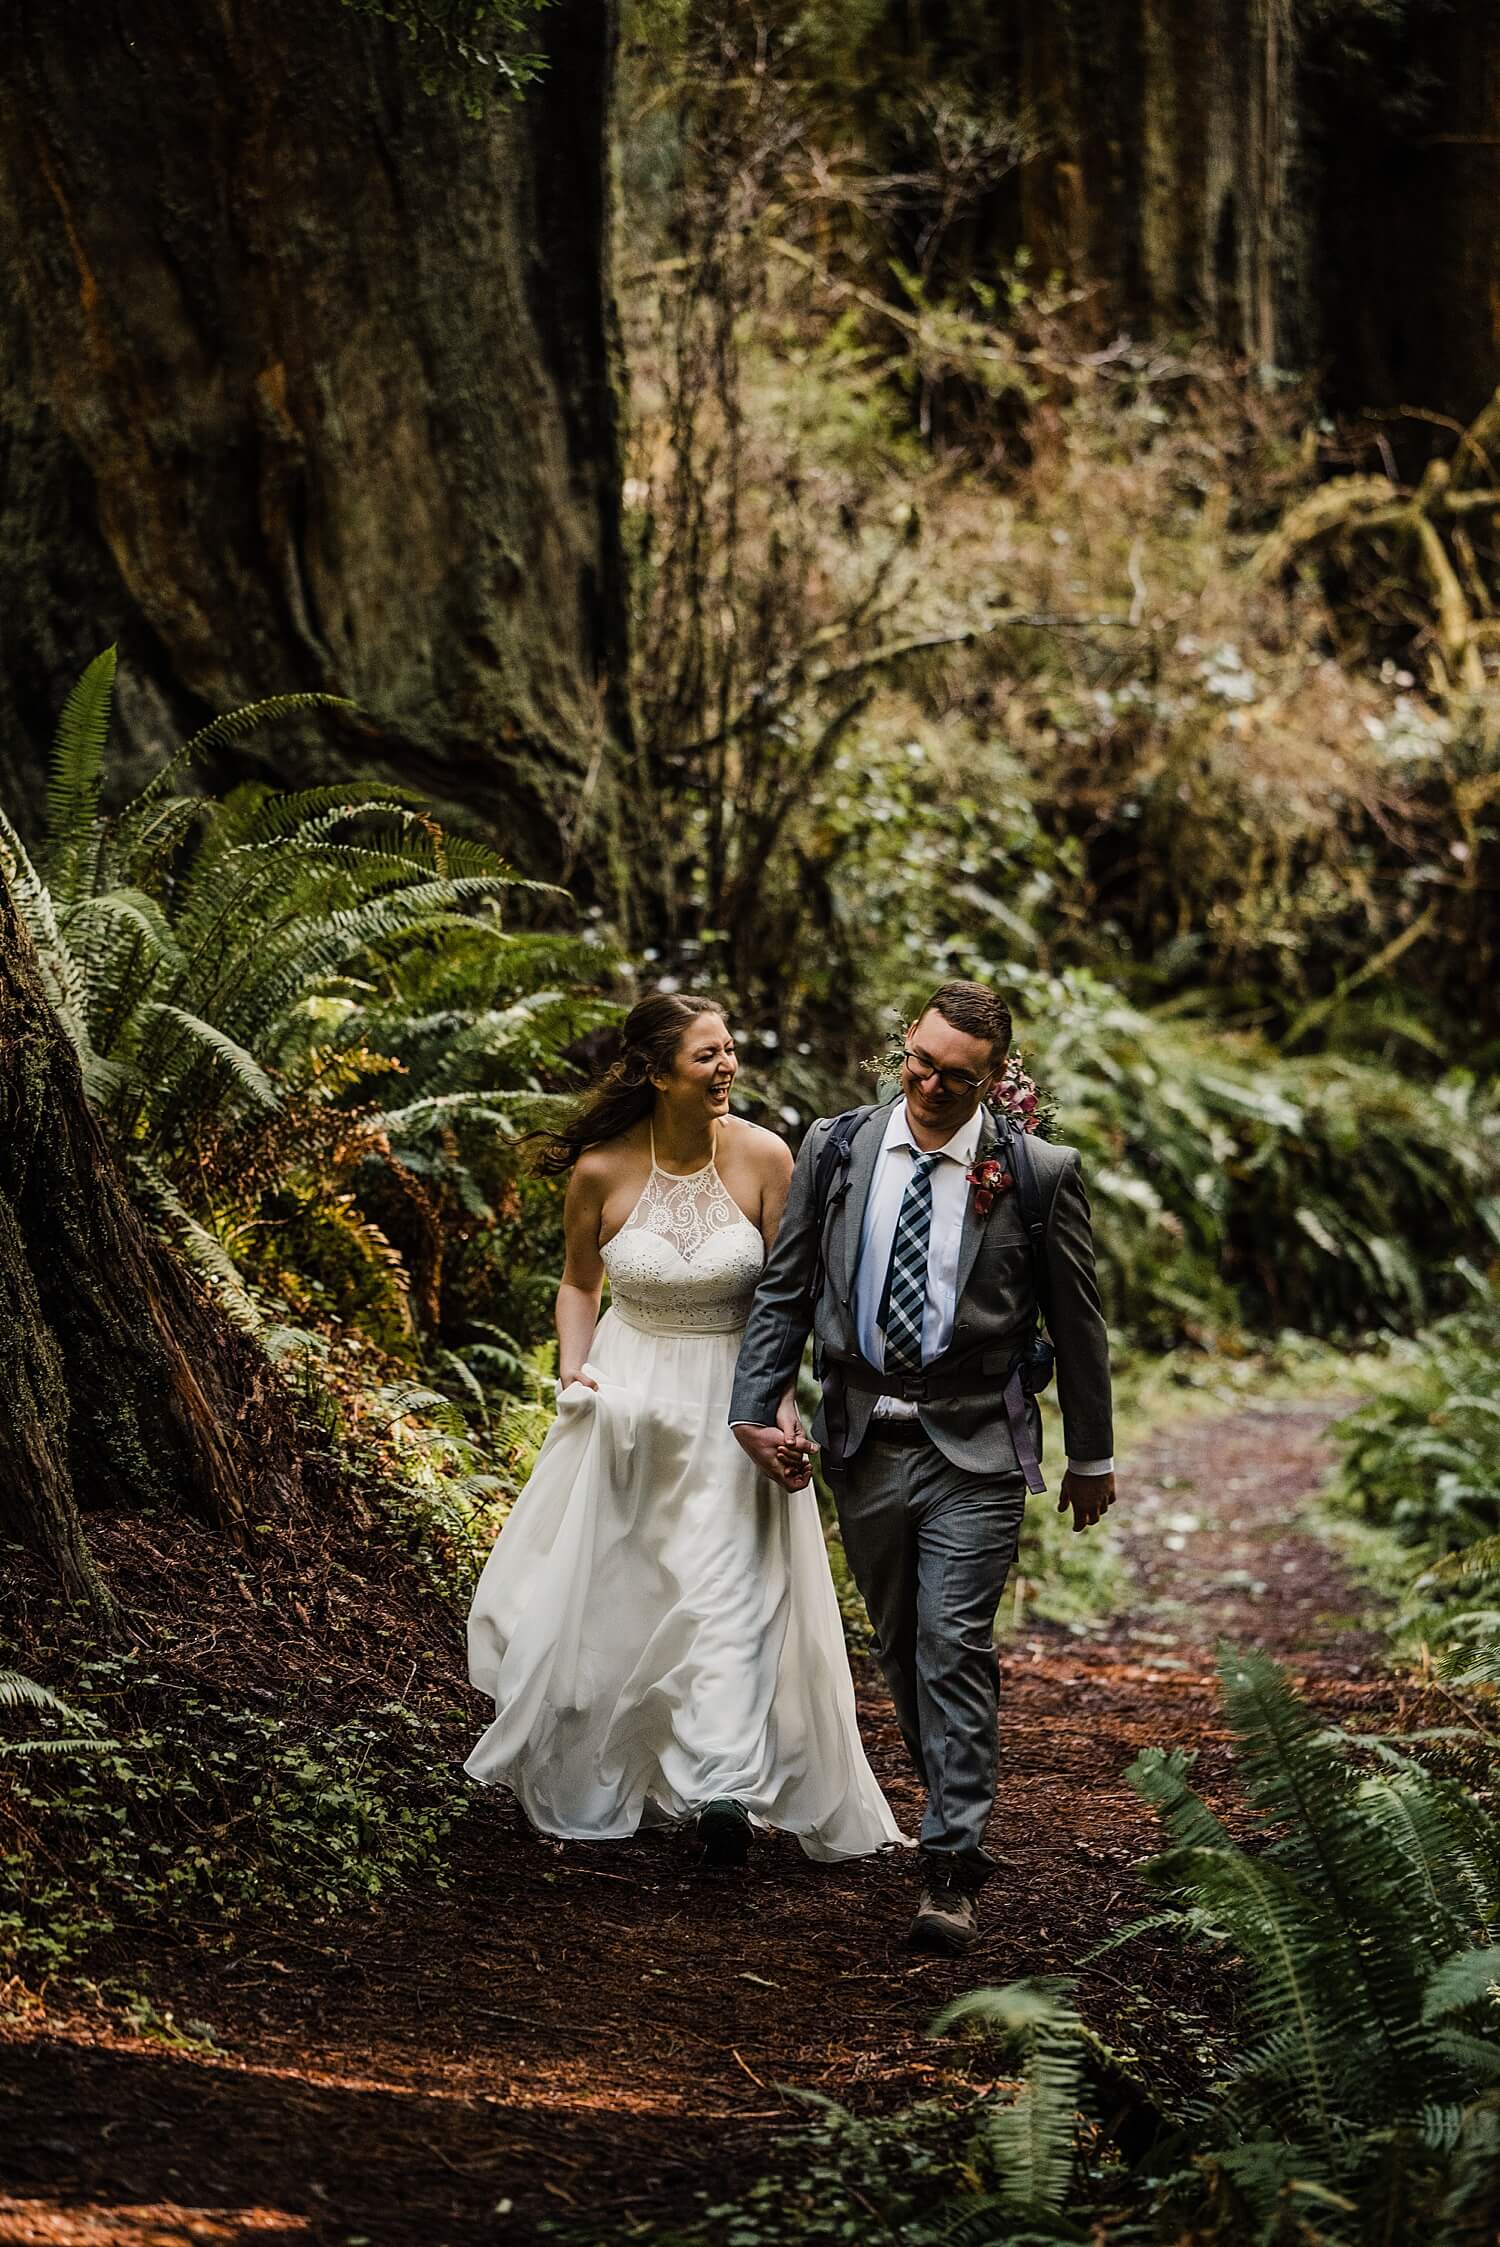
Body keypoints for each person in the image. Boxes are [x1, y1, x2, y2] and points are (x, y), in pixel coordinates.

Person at [464, 991, 903, 1867]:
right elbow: (579, 1284)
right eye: (708, 1055)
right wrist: (574, 1370)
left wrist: (776, 1404)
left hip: (732, 1398)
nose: (728, 1066)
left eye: (731, 1049)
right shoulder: (600, 1170)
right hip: (629, 1399)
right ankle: (622, 1763)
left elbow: (788, 1300)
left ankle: (721, 1787)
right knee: (628, 1585)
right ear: (659, 1071)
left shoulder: (766, 1158)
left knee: (732, 1590)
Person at [730, 980, 1116, 1951]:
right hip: (862, 1439)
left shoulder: (1034, 1172)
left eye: (957, 1075)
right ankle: (952, 1800)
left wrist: (1091, 1453)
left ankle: (950, 1863)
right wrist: (753, 1406)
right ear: (902, 1049)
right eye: (920, 1063)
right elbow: (787, 1286)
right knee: (901, 1643)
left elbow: (1077, 1322)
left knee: (953, 1639)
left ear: (994, 1080)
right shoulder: (838, 1148)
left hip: (976, 1443)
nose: (932, 1085)